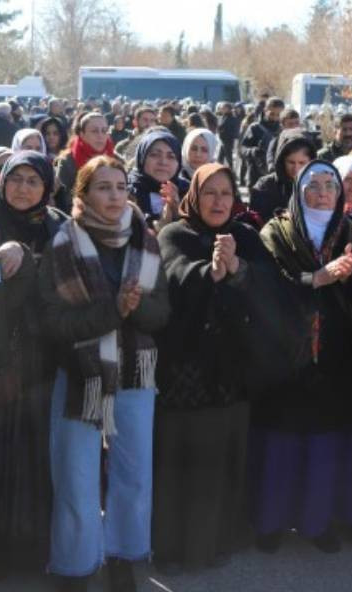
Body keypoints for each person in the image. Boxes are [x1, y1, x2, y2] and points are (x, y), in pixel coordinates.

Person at [36, 154, 170, 592]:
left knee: (134, 473)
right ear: (83, 194)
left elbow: (161, 314)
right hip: (82, 375)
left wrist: (135, 309)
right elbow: (53, 323)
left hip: (135, 372)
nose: (114, 196)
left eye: (120, 187)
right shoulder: (63, 245)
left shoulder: (146, 240)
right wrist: (114, 310)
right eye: (103, 187)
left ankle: (124, 556)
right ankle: (75, 565)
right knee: (75, 476)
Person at [152, 163, 281, 572]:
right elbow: (173, 275)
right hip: (184, 371)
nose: (219, 201)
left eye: (226, 193)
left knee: (223, 462)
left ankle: (216, 542)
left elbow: (271, 285)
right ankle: (172, 549)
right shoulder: (175, 234)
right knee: (180, 464)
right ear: (195, 196)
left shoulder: (245, 236)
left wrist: (239, 270)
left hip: (230, 373)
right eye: (210, 192)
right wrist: (209, 272)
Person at [255, 159, 352, 555]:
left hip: (336, 357)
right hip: (285, 354)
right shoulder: (277, 232)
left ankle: (317, 522)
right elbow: (266, 286)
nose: (322, 194)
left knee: (324, 445)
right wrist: (318, 278)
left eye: (330, 186)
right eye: (314, 186)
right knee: (281, 443)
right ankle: (271, 522)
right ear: (298, 191)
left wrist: (351, 279)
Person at [0, 151, 67, 579]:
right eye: (16, 178)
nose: (23, 188)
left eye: (33, 181)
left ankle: (33, 552)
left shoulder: (59, 227)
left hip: (44, 357)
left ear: (47, 187)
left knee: (36, 455)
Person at [249, 128, 317, 224]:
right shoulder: (265, 187)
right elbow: (255, 223)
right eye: (291, 162)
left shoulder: (319, 187)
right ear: (282, 160)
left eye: (302, 163)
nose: (296, 168)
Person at [54, 112, 114, 214]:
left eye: (104, 131)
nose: (100, 136)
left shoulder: (115, 159)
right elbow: (62, 200)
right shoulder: (66, 161)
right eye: (94, 131)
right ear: (82, 134)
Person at [129, 128, 187, 230]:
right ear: (142, 158)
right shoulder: (126, 190)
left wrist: (179, 214)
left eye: (171, 156)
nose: (163, 162)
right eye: (155, 155)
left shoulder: (188, 191)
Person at [239, 98, 283, 186]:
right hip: (255, 176)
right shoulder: (255, 128)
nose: (275, 117)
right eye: (272, 114)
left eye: (278, 114)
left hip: (276, 177)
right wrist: (253, 151)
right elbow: (242, 149)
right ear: (265, 110)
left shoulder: (283, 129)